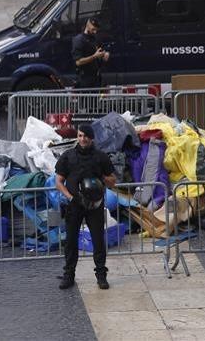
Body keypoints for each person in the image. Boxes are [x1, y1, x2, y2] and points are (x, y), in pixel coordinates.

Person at [54, 124, 117, 290]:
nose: (83, 139)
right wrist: (70, 197)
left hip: (95, 205)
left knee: (98, 240)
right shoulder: (68, 156)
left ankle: (101, 275)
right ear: (77, 136)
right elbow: (58, 182)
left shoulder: (101, 157)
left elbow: (113, 181)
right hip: (74, 205)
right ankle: (69, 275)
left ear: (92, 138)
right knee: (71, 242)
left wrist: (101, 178)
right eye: (80, 136)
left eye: (86, 136)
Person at [72, 18, 109, 89]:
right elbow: (78, 62)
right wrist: (94, 56)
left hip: (96, 78)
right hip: (84, 79)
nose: (95, 32)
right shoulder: (79, 40)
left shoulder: (96, 38)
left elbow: (101, 50)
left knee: (96, 99)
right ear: (88, 25)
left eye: (96, 30)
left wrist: (105, 54)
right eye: (93, 29)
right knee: (85, 100)